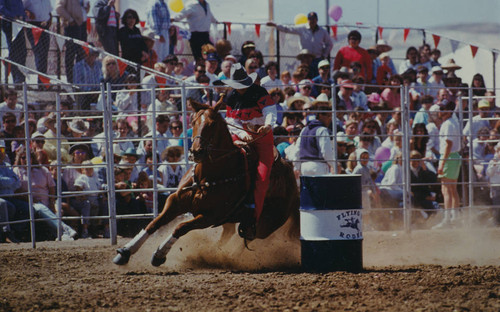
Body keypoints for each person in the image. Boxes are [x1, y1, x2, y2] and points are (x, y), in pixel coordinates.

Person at [214, 63, 276, 238]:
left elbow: (270, 111)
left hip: (262, 134)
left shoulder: (259, 92)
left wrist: (267, 125)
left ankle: (252, 219)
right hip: (240, 134)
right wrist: (243, 134)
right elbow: (232, 122)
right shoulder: (231, 97)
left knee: (263, 177)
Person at [267, 11, 332, 77]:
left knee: (317, 78)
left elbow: (329, 44)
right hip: (305, 59)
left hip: (317, 59)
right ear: (307, 20)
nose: (312, 21)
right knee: (305, 77)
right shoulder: (302, 28)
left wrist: (324, 55)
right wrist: (276, 25)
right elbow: (288, 29)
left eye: (313, 19)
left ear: (317, 20)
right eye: (310, 19)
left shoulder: (322, 31)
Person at [433, 101, 461, 229]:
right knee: (452, 189)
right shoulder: (451, 123)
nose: (440, 111)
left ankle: (447, 219)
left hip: (449, 157)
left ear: (448, 111)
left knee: (446, 189)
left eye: (442, 108)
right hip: (452, 156)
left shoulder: (448, 124)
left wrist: (442, 162)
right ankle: (455, 217)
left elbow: (448, 144)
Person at [295, 99, 335, 175]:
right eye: (328, 116)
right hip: (318, 166)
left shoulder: (304, 130)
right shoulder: (322, 130)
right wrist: (333, 165)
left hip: (304, 166)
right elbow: (326, 151)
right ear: (320, 115)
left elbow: (297, 149)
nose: (330, 119)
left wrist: (296, 167)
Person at [23, 0, 53, 84]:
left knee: (45, 54)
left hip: (45, 26)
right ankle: (41, 83)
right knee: (39, 53)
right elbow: (21, 8)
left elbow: (49, 11)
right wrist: (27, 12)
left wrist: (49, 19)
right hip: (33, 26)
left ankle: (43, 81)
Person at [0, 1, 26, 84]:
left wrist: (23, 18)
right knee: (14, 51)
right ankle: (17, 78)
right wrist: (13, 16)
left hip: (19, 24)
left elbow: (21, 7)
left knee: (22, 51)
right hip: (9, 23)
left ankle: (21, 77)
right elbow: (1, 8)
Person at [486, 142, 500, 225]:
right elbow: (489, 173)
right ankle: (496, 221)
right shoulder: (493, 162)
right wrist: (494, 165)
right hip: (495, 186)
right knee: (496, 205)